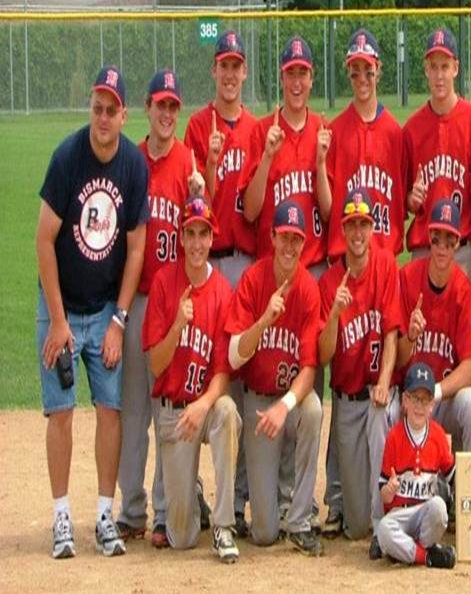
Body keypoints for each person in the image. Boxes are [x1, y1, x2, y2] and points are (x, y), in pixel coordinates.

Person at [37, 65, 148, 559]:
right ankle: (62, 516)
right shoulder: (67, 158)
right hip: (61, 302)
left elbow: (137, 249)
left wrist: (120, 321)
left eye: (111, 109)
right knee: (60, 411)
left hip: (104, 308)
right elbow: (43, 239)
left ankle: (105, 515)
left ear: (124, 114)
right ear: (91, 109)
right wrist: (58, 322)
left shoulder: (131, 165)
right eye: (96, 107)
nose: (103, 117)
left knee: (110, 408)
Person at [117, 68, 205, 549]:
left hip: (175, 302)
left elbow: (200, 227)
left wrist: (200, 189)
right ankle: (132, 509)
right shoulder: (129, 161)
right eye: (160, 105)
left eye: (174, 106)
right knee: (135, 412)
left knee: (168, 405)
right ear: (147, 109)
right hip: (138, 299)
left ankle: (165, 512)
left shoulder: (189, 160)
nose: (167, 114)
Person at [183, 28, 260, 539]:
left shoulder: (255, 129)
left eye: (237, 65)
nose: (230, 74)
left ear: (244, 73)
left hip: (245, 262)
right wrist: (208, 165)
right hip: (208, 262)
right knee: (205, 366)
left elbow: (254, 209)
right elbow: (197, 209)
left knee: (244, 374)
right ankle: (189, 489)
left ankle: (240, 491)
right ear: (213, 71)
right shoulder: (195, 125)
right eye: (223, 65)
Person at [142, 195, 241, 563]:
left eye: (204, 234)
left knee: (228, 411)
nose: (197, 242)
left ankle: (224, 525)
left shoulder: (221, 292)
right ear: (181, 238)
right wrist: (177, 326)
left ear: (212, 238)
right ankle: (192, 493)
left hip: (205, 406)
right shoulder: (165, 284)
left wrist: (203, 404)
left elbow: (222, 372)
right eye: (191, 233)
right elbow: (155, 364)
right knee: (181, 538)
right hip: (173, 413)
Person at [225, 200, 324, 556]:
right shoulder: (253, 279)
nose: (289, 246)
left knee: (313, 411)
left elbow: (309, 369)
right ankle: (268, 503)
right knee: (264, 534)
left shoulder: (309, 290)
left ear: (304, 243)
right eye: (284, 237)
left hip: (288, 401)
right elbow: (235, 353)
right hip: (256, 402)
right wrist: (265, 319)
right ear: (271, 236)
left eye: (296, 239)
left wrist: (285, 406)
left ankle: (298, 519)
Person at [318, 188, 402, 555]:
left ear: (372, 228)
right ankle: (366, 519)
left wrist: (384, 382)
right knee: (354, 525)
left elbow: (391, 333)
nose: (357, 234)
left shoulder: (385, 265)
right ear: (343, 229)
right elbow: (323, 356)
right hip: (347, 399)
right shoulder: (328, 283)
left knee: (381, 414)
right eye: (351, 225)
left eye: (363, 225)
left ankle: (384, 527)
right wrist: (334, 314)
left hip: (376, 393)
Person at [397, 199, 471, 456]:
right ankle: (392, 490)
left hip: (443, 399)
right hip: (410, 398)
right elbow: (399, 358)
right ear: (429, 237)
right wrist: (410, 337)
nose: (443, 247)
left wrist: (434, 393)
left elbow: (469, 369)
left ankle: (468, 488)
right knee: (386, 411)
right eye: (437, 239)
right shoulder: (408, 278)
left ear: (458, 243)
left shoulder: (464, 292)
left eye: (450, 240)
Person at [241, 35, 331, 278]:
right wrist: (267, 157)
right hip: (272, 269)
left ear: (312, 79)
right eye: (291, 73)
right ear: (281, 78)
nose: (296, 82)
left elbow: (328, 213)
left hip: (314, 266)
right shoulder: (261, 131)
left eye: (303, 73)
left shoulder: (322, 130)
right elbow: (249, 212)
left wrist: (321, 163)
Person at [402, 27, 471, 279]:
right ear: (426, 69)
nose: (439, 75)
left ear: (456, 68)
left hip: (460, 251)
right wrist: (411, 199)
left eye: (445, 66)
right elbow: (404, 202)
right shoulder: (412, 129)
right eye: (434, 66)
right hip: (423, 251)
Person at [325, 28, 406, 258]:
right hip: (345, 256)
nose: (362, 79)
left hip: (384, 254)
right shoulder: (336, 131)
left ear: (378, 70)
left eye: (368, 71)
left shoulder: (394, 133)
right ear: (347, 71)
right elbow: (327, 207)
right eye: (355, 71)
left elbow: (405, 200)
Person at [375, 362, 458, 569]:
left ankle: (407, 552)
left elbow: (456, 477)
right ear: (405, 400)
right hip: (400, 514)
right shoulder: (394, 436)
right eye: (415, 398)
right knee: (384, 530)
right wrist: (389, 489)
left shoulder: (438, 435)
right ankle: (427, 556)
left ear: (432, 405)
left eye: (425, 400)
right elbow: (383, 496)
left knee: (439, 507)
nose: (420, 406)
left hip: (425, 515)